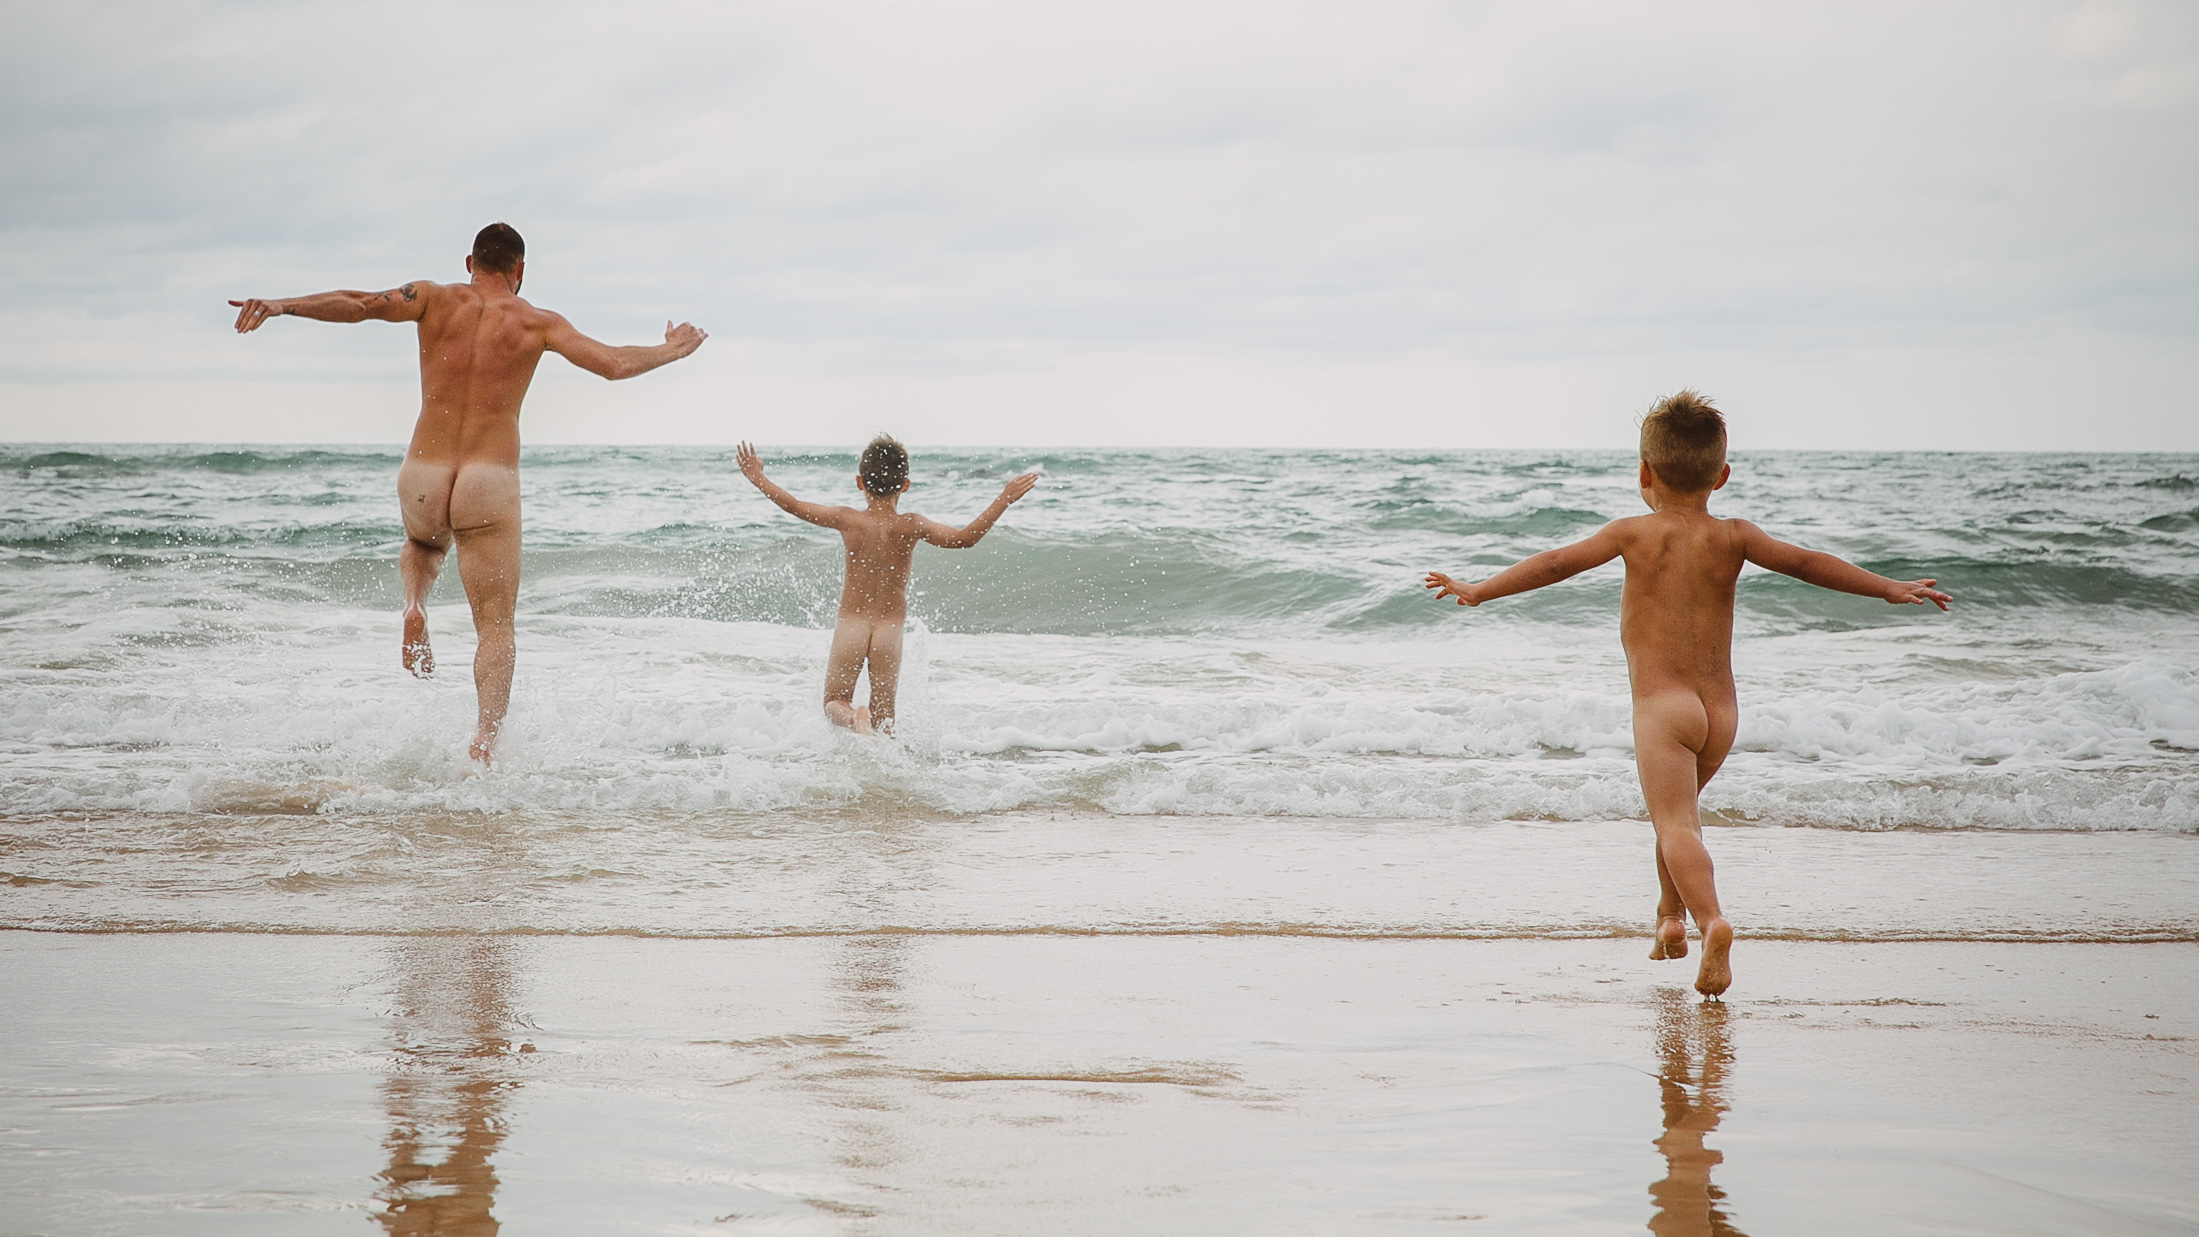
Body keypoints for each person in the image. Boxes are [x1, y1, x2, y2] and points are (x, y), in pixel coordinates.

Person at [1423, 392, 1949, 996]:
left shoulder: (1632, 533)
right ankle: (1668, 920)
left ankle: (1711, 921)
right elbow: (1808, 563)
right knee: (1680, 821)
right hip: (1721, 713)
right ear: (1720, 477)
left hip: (1663, 710)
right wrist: (1886, 588)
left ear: (1644, 473)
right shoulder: (1736, 535)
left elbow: (1555, 563)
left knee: (1676, 826)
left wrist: (1480, 589)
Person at [229, 222, 706, 763]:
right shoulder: (537, 322)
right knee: (495, 627)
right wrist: (673, 350)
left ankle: (415, 605)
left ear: (469, 263)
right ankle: (483, 741)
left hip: (423, 474)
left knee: (424, 545)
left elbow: (358, 304)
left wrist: (281, 305)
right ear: (519, 270)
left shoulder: (430, 299)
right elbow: (613, 364)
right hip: (488, 482)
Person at [737, 437, 1038, 735]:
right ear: (905, 485)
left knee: (834, 702)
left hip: (852, 625)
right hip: (888, 631)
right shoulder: (911, 524)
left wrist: (756, 476)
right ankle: (884, 765)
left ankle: (854, 718)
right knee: (884, 720)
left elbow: (793, 506)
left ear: (859, 482)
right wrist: (1004, 498)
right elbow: (965, 539)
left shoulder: (847, 519)